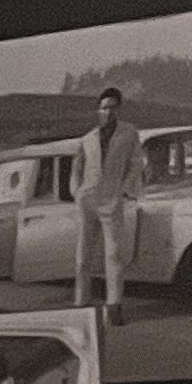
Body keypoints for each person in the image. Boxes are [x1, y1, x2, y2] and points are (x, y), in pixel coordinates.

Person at [71, 86, 142, 318]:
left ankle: (114, 305)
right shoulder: (87, 138)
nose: (108, 112)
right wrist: (77, 193)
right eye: (104, 108)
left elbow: (136, 163)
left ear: (118, 109)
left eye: (112, 107)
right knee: (83, 255)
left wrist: (124, 190)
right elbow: (76, 168)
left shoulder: (128, 133)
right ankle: (81, 302)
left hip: (112, 200)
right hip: (87, 200)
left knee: (114, 254)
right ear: (98, 110)